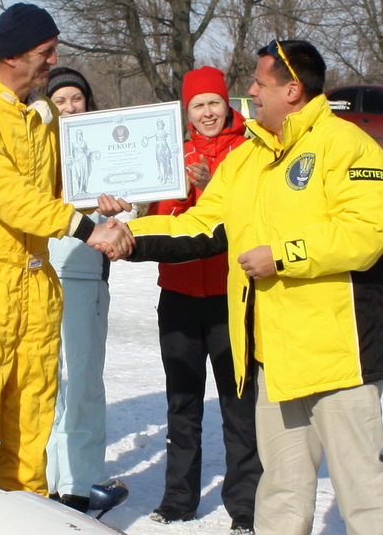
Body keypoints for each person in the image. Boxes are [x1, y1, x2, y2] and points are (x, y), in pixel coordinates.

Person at [102, 40, 383, 535]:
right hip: (273, 359)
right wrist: (131, 237)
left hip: (339, 358)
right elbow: (202, 225)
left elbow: (367, 233)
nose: (250, 91)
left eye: (259, 82)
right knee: (281, 496)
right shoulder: (249, 160)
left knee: (364, 494)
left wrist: (284, 254)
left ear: (292, 89)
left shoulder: (347, 145)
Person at [0, 3, 131, 491]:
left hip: (36, 284)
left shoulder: (42, 116)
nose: (53, 59)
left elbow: (66, 186)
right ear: (14, 55)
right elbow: (7, 194)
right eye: (46, 51)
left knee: (31, 425)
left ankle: (24, 515)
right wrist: (85, 230)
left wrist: (111, 190)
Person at [144, 66, 260, 535]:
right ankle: (178, 500)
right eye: (198, 105)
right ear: (187, 110)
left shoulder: (250, 149)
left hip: (232, 296)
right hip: (178, 291)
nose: (208, 112)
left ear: (227, 103)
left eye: (214, 102)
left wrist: (213, 189)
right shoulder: (173, 151)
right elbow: (159, 215)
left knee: (239, 403)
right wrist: (176, 199)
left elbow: (254, 214)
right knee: (182, 401)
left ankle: (246, 506)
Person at [44, 67, 113, 512]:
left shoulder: (106, 146)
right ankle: (44, 478)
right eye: (60, 100)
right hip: (41, 270)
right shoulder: (37, 149)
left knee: (84, 381)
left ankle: (79, 485)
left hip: (87, 274)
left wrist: (120, 204)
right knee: (44, 384)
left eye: (76, 99)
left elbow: (136, 200)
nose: (69, 107)